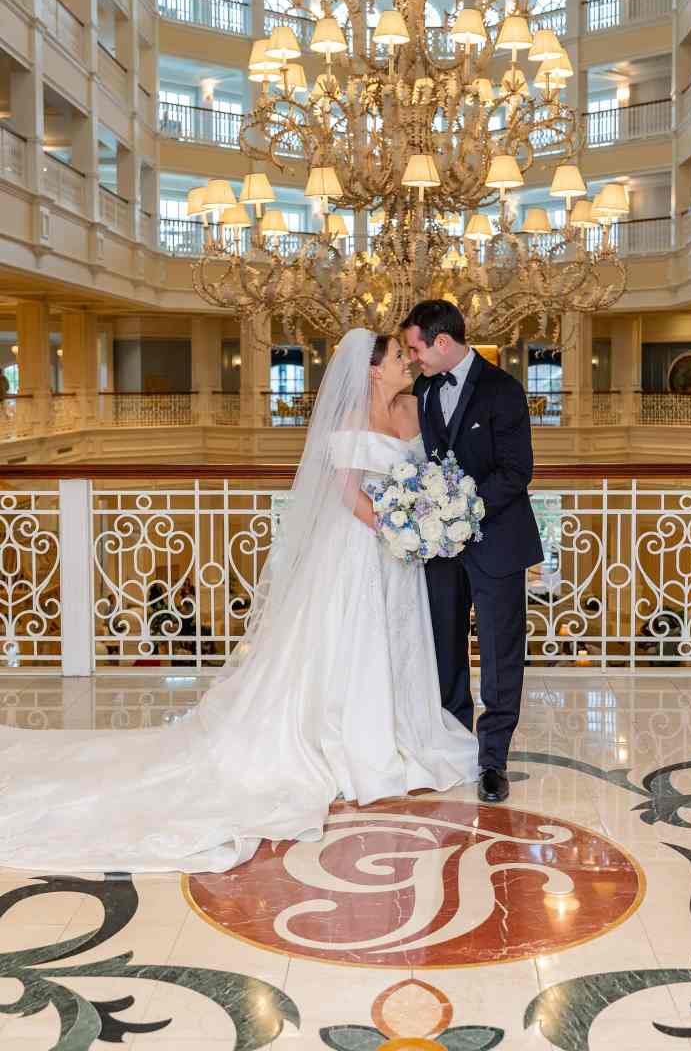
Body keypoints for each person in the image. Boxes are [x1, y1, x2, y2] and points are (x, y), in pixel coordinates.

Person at [0, 329, 477, 874]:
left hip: (399, 552)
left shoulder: (415, 408)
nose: (406, 364)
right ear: (372, 370)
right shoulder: (349, 421)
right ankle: (352, 739)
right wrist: (395, 530)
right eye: (397, 357)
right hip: (359, 548)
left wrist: (418, 522)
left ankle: (402, 731)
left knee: (397, 640)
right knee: (352, 637)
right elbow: (348, 493)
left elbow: (423, 473)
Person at [402, 300, 543, 804]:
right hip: (439, 549)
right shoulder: (421, 390)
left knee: (502, 657)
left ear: (442, 343)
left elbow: (516, 470)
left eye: (416, 348)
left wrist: (464, 509)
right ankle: (456, 745)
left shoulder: (503, 389)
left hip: (496, 542)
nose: (413, 358)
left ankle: (492, 761)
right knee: (444, 648)